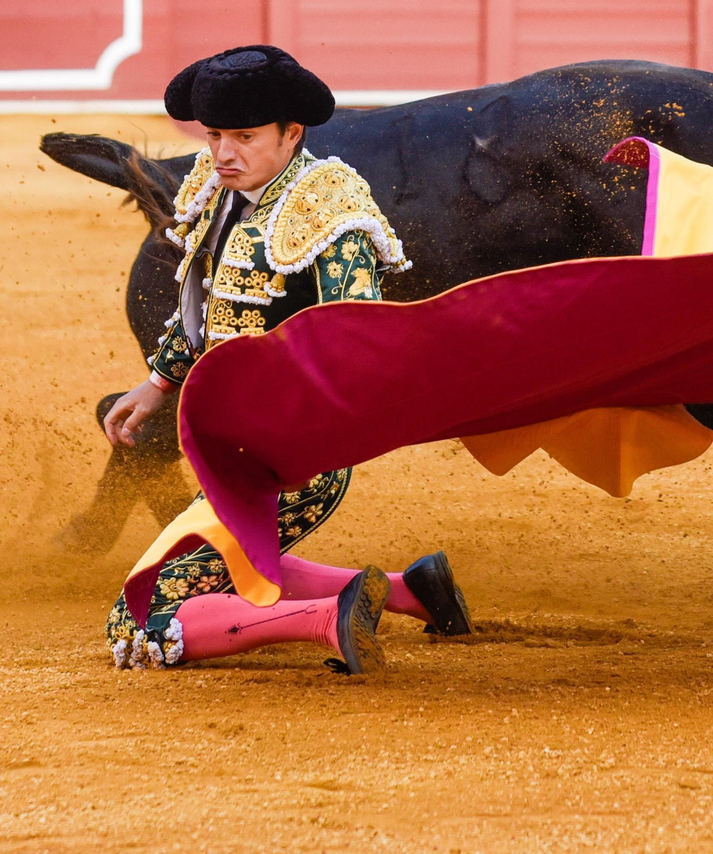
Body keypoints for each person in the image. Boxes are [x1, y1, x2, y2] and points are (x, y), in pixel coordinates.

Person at [102, 45, 471, 673]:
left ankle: (326, 620)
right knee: (222, 564)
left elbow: (359, 339)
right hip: (236, 449)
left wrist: (303, 434)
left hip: (295, 457)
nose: (222, 153)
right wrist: (159, 382)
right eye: (214, 134)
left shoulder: (327, 210)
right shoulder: (219, 187)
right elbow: (212, 304)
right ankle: (415, 591)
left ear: (291, 133)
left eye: (244, 136)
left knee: (141, 621)